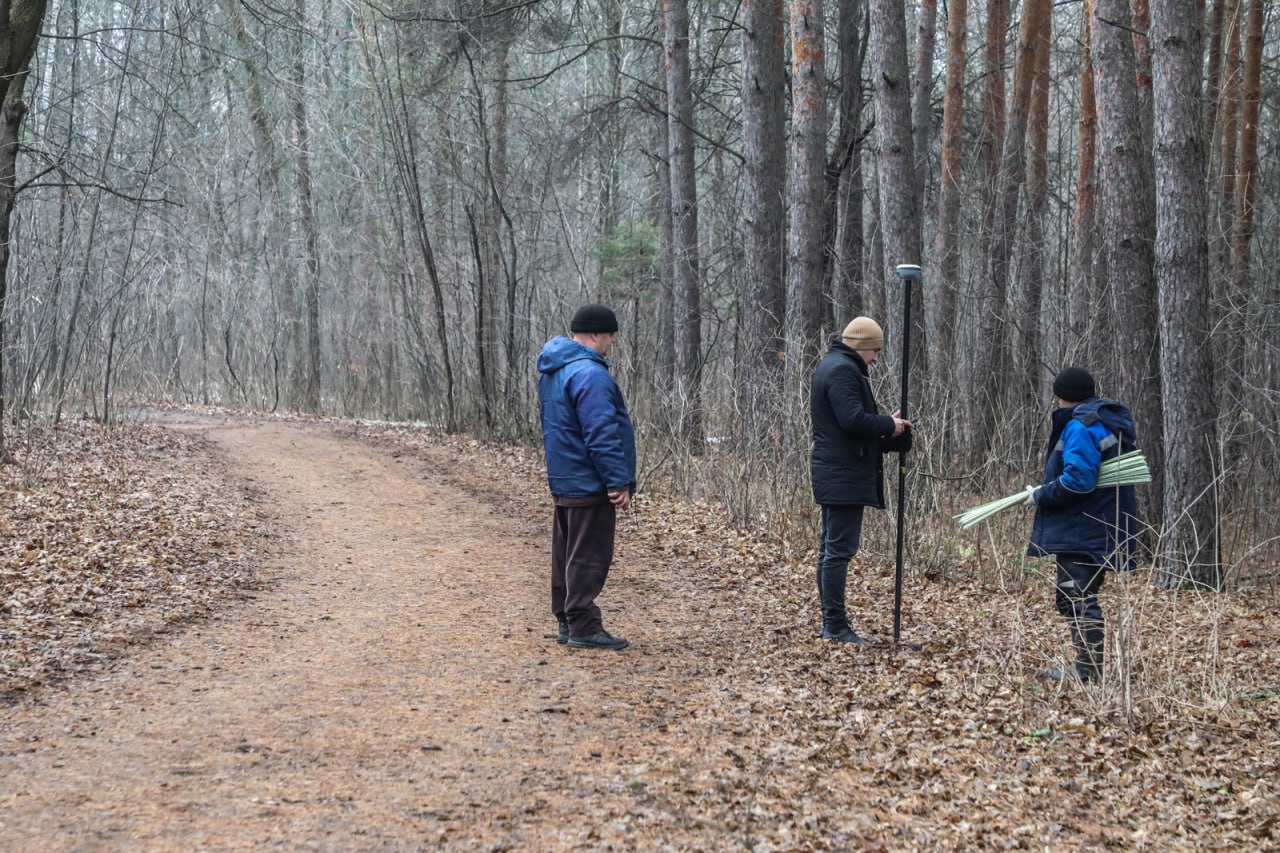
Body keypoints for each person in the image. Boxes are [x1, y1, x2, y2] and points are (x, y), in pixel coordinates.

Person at [1025, 366, 1139, 683]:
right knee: (1076, 596)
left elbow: (1078, 482)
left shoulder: (1080, 427)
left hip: (1083, 529)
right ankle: (1087, 669)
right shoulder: (1103, 421)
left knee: (1075, 597)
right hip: (1098, 526)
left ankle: (1088, 674)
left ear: (1061, 396)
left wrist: (1040, 495)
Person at [537, 303, 636, 651]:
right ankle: (582, 624)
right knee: (588, 555)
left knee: (566, 552)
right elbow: (601, 433)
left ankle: (567, 619)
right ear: (595, 334)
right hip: (588, 481)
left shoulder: (555, 370)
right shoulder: (590, 374)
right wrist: (617, 481)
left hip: (565, 477)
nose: (611, 342)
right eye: (609, 335)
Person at [809, 316, 913, 645]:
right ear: (862, 346)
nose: (876, 358)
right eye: (874, 350)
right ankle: (835, 626)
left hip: (839, 471)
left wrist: (887, 427)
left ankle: (833, 622)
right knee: (837, 551)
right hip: (842, 474)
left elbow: (850, 423)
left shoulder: (836, 366)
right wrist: (887, 424)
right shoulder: (842, 370)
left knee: (832, 550)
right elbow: (851, 419)